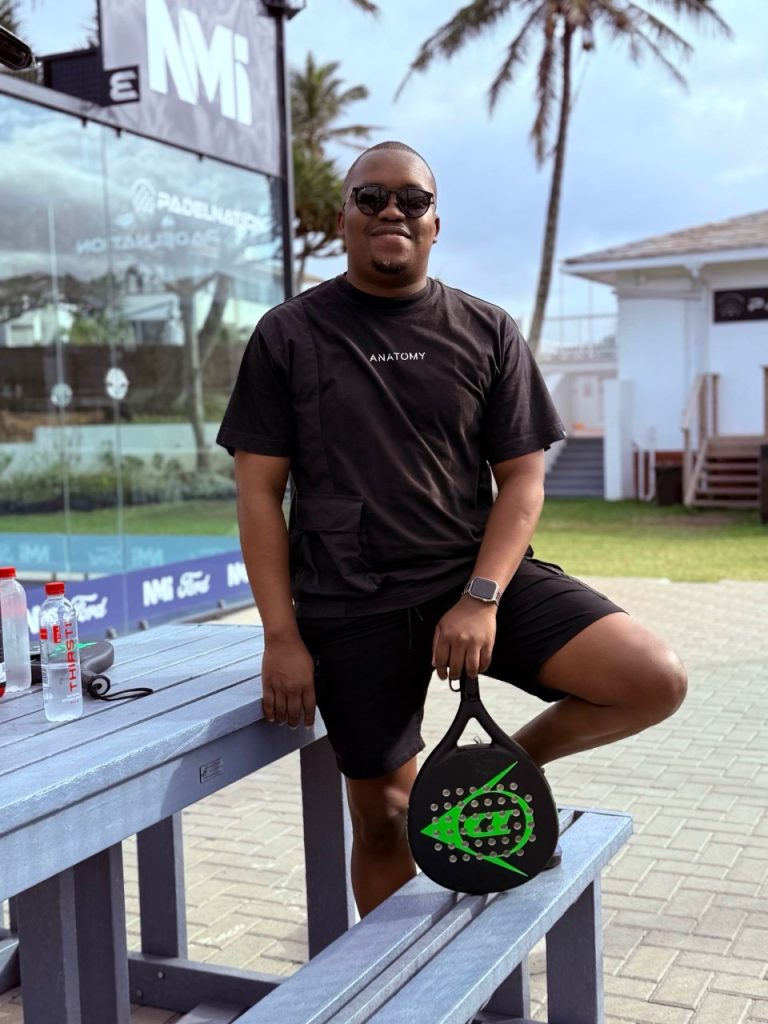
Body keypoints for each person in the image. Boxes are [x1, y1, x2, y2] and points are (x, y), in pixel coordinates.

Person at [217, 140, 687, 916]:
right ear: (343, 218)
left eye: (413, 199)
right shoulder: (289, 335)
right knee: (385, 819)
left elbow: (523, 481)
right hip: (351, 599)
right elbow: (259, 495)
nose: (392, 211)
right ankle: (397, 978)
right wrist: (281, 637)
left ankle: (494, 772)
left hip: (473, 578)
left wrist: (481, 597)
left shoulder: (487, 329)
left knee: (651, 678)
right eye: (371, 197)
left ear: (436, 222)